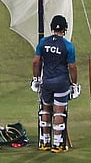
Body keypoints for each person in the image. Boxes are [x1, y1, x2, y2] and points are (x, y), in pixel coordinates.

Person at [31, 14, 79, 153]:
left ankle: (44, 141)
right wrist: (74, 85)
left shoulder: (43, 42)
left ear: (52, 27)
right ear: (64, 29)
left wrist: (36, 79)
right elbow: (72, 67)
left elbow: (36, 62)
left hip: (46, 82)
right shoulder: (68, 46)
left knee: (45, 109)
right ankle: (57, 144)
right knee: (59, 112)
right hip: (61, 82)